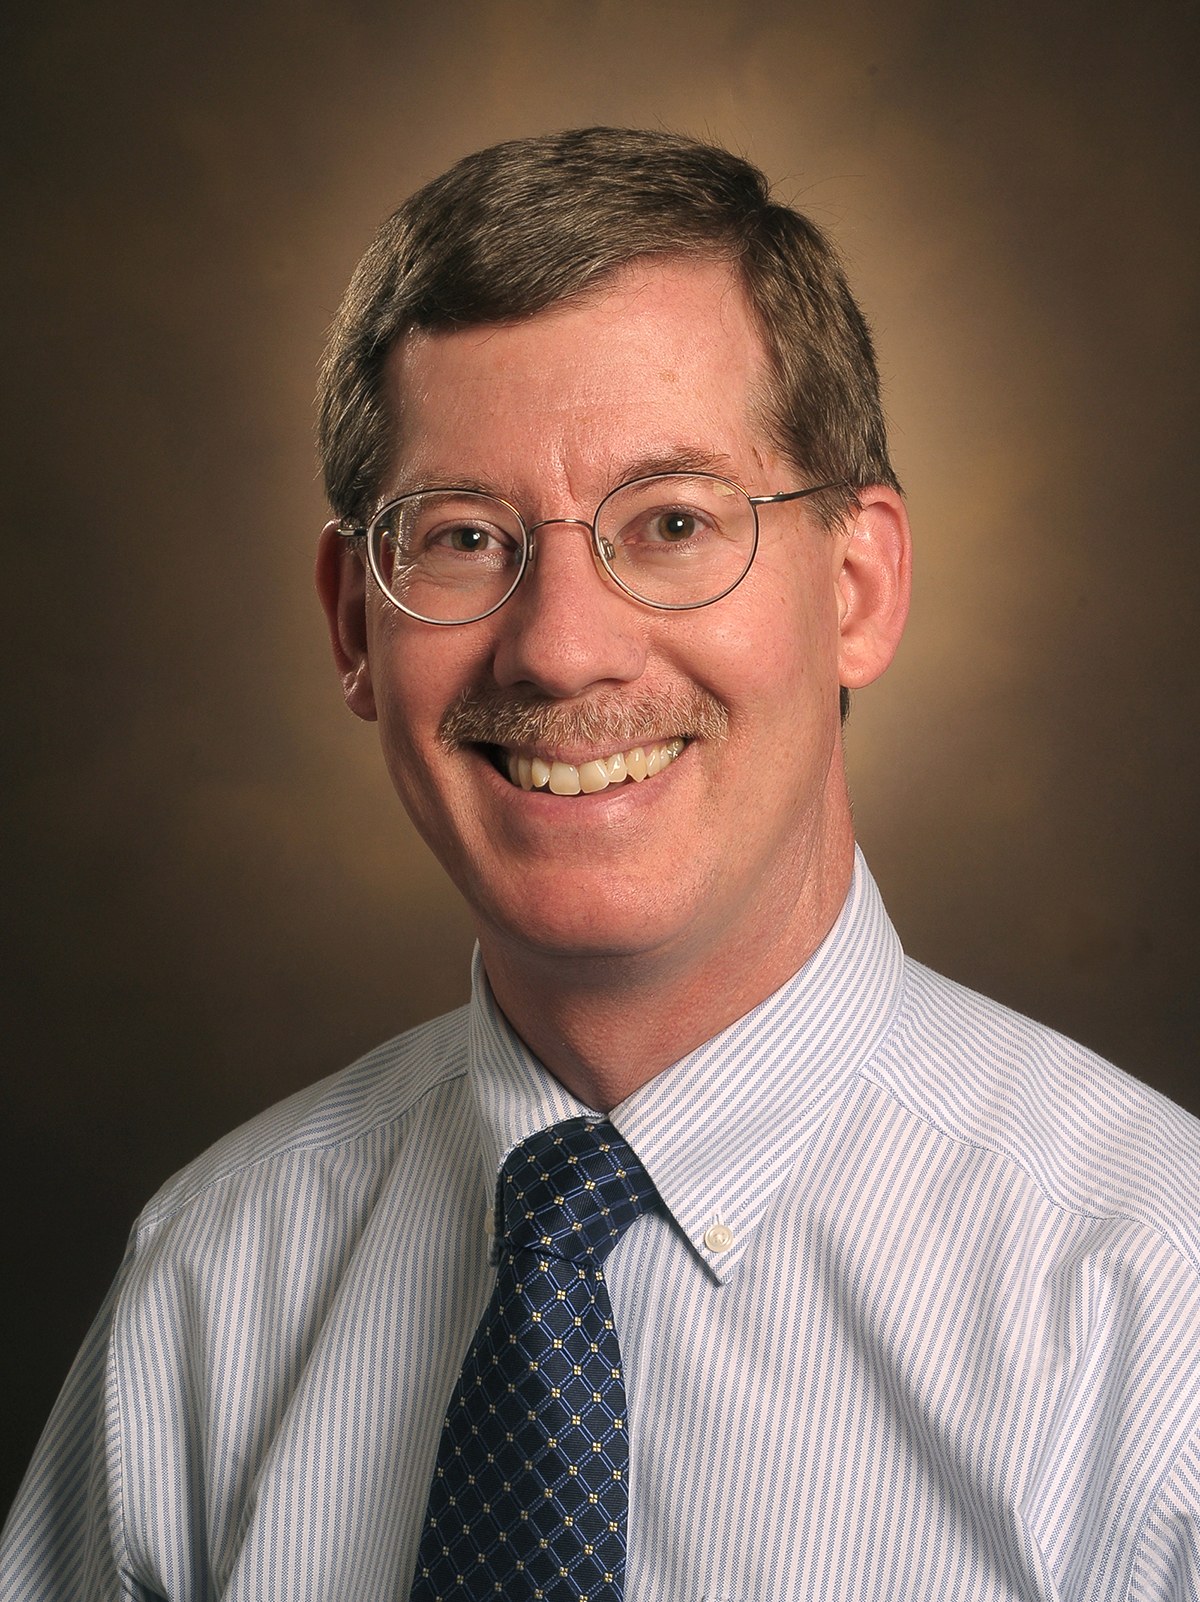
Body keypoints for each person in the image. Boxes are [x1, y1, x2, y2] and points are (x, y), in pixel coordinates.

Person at [3, 127, 1199, 1602]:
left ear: (858, 587)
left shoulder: (1157, 1319)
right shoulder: (210, 1283)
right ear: (352, 626)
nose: (562, 647)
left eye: (674, 523)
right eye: (462, 538)